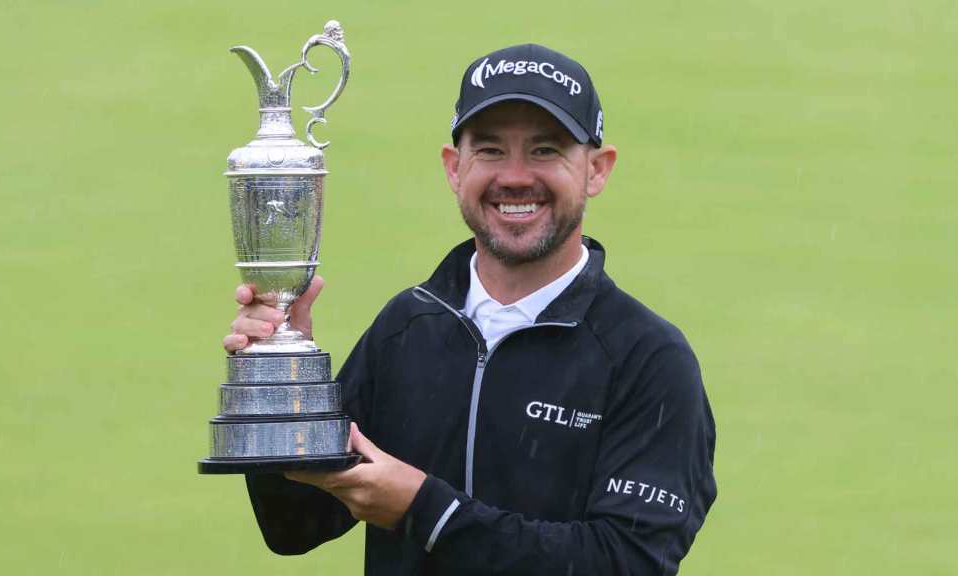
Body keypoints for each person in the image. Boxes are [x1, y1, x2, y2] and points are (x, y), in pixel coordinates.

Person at [224, 43, 717, 575]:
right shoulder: (408, 328)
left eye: (545, 150)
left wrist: (427, 511)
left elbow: (627, 563)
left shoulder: (648, 359)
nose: (515, 176)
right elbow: (294, 524)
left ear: (596, 170)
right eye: (490, 150)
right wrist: (280, 383)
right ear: (454, 168)